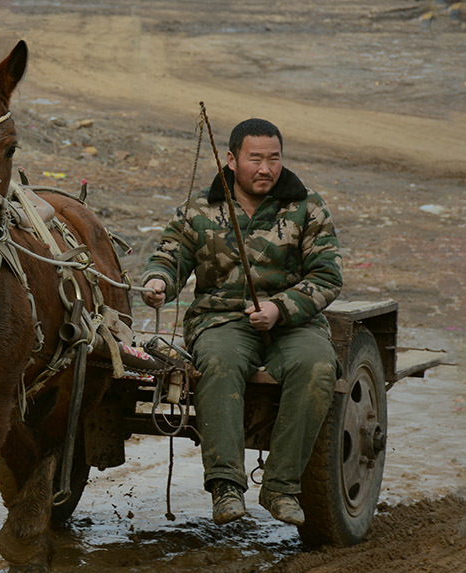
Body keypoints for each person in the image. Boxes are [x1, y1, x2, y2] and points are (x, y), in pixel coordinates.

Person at [141, 118, 343, 527]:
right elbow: (170, 253)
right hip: (220, 320)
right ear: (232, 160)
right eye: (255, 159)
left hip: (293, 323)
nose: (266, 169)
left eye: (274, 159)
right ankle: (226, 486)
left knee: (318, 367)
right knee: (218, 363)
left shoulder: (307, 206)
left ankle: (282, 487)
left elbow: (327, 276)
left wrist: (279, 309)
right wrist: (158, 280)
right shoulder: (200, 208)